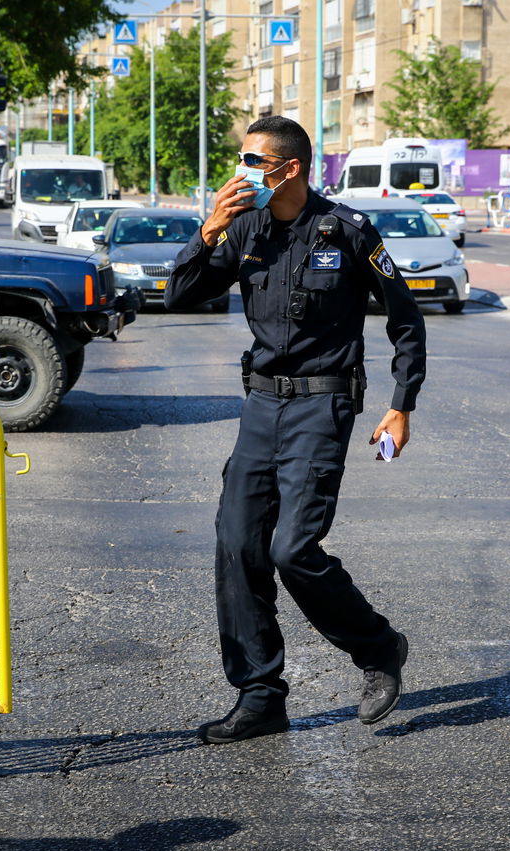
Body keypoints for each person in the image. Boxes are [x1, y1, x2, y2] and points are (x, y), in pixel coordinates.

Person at [165, 115, 426, 744]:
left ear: (291, 169)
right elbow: (179, 295)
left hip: (322, 405)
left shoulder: (349, 232)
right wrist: (208, 232)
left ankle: (380, 647)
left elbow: (406, 319)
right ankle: (260, 695)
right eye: (242, 159)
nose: (242, 171)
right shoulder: (243, 227)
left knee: (292, 551)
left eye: (255, 162)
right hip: (260, 405)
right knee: (237, 542)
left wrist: (401, 403)